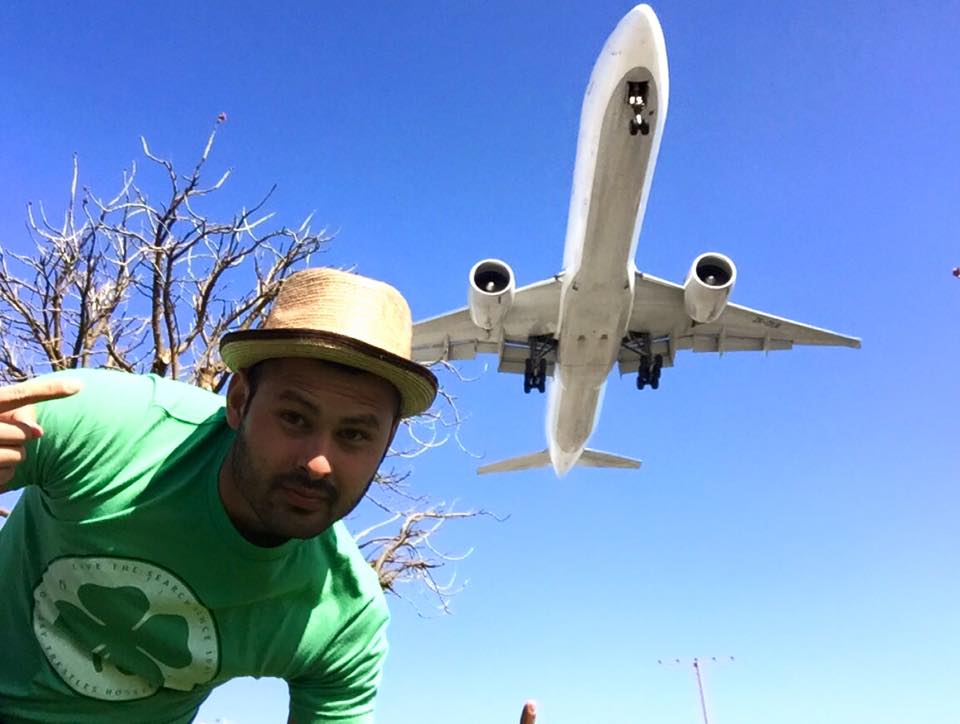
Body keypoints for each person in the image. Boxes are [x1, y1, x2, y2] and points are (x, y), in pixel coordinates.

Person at [0, 267, 438, 723]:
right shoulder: (106, 424)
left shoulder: (344, 617)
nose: (318, 463)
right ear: (239, 400)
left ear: (387, 443)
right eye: (294, 418)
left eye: (354, 435)